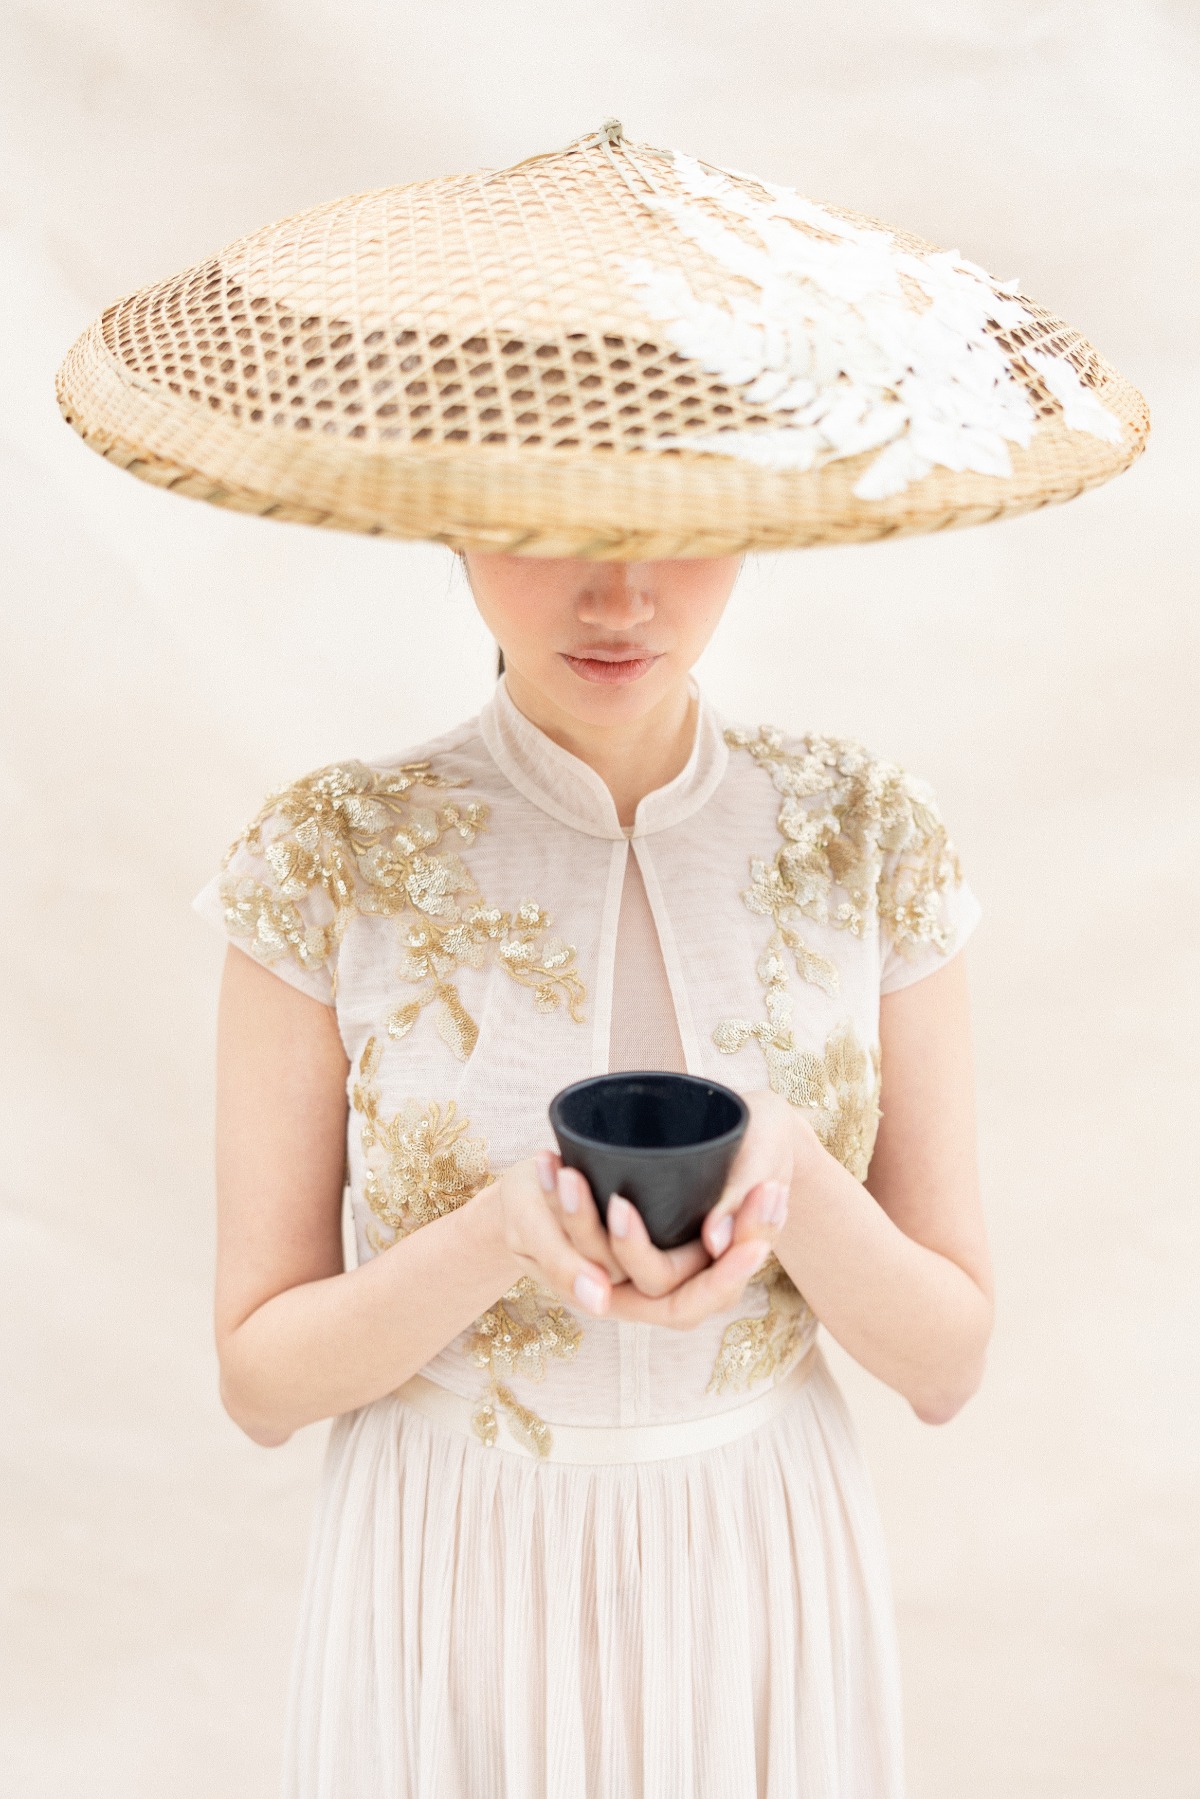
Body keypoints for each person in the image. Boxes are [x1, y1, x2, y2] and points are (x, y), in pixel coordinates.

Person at [195, 548, 992, 1797]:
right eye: (552, 524)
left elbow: (947, 1364)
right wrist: (492, 1236)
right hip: (448, 1569)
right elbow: (260, 1381)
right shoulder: (330, 854)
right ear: (456, 516)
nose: (619, 597)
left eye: (674, 521)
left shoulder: (867, 834)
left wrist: (793, 1178)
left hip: (760, 1562)